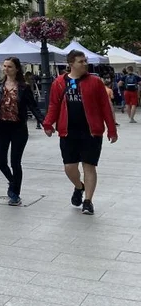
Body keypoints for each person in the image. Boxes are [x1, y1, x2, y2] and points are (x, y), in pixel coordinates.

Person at [43, 50, 118, 215]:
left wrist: (111, 129)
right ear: (71, 64)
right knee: (69, 167)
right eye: (81, 61)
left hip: (91, 132)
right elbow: (54, 105)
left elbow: (105, 107)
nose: (85, 64)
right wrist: (48, 123)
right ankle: (79, 186)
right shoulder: (59, 83)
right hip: (68, 131)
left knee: (89, 167)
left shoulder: (95, 82)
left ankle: (88, 201)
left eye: (85, 61)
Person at [0, 57, 43, 206]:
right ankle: (13, 182)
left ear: (16, 69)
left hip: (18, 128)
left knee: (15, 162)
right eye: (4, 66)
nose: (6, 69)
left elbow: (34, 107)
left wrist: (44, 123)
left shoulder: (24, 87)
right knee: (1, 161)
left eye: (9, 66)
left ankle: (15, 193)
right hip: (1, 127)